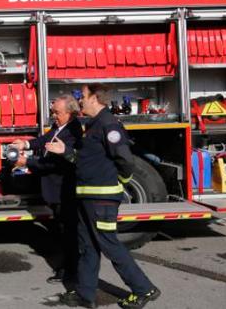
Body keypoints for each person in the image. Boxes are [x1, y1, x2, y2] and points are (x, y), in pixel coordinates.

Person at [46, 84, 160, 309]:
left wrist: (123, 183)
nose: (79, 100)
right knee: (87, 246)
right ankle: (85, 294)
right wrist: (66, 152)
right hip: (87, 198)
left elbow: (125, 160)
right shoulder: (94, 125)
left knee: (109, 245)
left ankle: (143, 288)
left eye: (83, 96)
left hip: (102, 199)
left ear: (95, 98)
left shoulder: (109, 124)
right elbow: (88, 160)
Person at [12, 94, 82, 289]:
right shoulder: (60, 127)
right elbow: (44, 140)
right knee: (62, 230)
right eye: (53, 112)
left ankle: (70, 270)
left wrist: (27, 161)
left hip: (63, 190)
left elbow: (54, 163)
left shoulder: (72, 131)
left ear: (69, 112)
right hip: (55, 190)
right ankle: (68, 267)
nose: (53, 115)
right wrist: (25, 144)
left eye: (57, 112)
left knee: (68, 232)